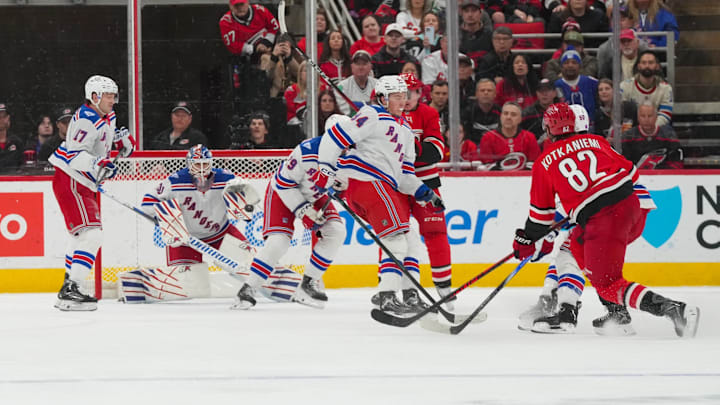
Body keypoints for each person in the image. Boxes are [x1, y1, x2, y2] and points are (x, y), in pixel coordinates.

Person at [512, 102, 699, 338]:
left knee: (608, 283)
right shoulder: (597, 141)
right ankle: (612, 314)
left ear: (548, 129)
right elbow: (632, 173)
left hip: (605, 220)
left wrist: (526, 238)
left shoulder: (544, 162)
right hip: (634, 206)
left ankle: (673, 309)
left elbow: (540, 219)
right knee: (573, 250)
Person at [312, 75, 445, 315]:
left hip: (385, 186)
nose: (402, 101)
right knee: (395, 240)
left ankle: (410, 294)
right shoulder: (372, 114)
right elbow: (334, 137)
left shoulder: (405, 129)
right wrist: (327, 171)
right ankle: (387, 296)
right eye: (396, 96)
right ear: (383, 98)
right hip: (368, 182)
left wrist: (425, 193)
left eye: (404, 96)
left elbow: (404, 175)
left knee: (411, 240)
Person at [231, 129, 347, 309]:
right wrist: (303, 211)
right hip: (283, 192)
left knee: (337, 231)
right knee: (279, 242)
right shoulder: (306, 150)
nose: (344, 149)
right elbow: (283, 183)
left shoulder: (353, 152)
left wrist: (344, 187)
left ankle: (308, 284)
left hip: (314, 195)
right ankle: (248, 289)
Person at [130, 145, 261, 303]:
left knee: (251, 264)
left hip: (221, 234)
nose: (201, 169)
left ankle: (269, 281)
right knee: (186, 287)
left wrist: (245, 204)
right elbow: (147, 203)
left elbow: (247, 200)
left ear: (211, 163)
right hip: (186, 240)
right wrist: (165, 219)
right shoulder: (175, 180)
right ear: (188, 164)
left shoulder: (226, 178)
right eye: (197, 164)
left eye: (204, 164)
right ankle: (146, 285)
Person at [48, 75, 134, 311]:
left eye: (113, 95)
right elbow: (75, 156)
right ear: (94, 96)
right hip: (71, 179)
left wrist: (121, 141)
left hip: (82, 182)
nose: (112, 100)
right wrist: (100, 164)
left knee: (78, 238)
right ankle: (72, 288)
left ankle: (68, 288)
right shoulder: (85, 119)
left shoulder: (108, 114)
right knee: (92, 235)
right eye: (108, 95)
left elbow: (106, 138)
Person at [400, 73, 455, 305]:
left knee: (436, 232)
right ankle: (394, 287)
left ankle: (444, 288)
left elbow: (436, 152)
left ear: (420, 94)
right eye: (401, 94)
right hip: (396, 184)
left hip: (426, 183)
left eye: (410, 93)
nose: (405, 98)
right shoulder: (385, 116)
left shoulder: (429, 114)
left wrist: (409, 148)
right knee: (396, 235)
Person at [621, 102, 683, 169]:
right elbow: (623, 165)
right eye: (643, 116)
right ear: (638, 118)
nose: (646, 120)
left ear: (656, 117)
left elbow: (677, 164)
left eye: (650, 116)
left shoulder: (669, 136)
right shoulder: (628, 137)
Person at [620, 50, 673, 127]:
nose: (647, 66)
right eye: (644, 63)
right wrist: (639, 130)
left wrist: (650, 128)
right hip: (632, 128)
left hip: (657, 129)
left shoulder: (666, 88)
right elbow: (620, 113)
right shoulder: (625, 86)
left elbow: (665, 114)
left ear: (657, 66)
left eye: (650, 63)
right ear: (639, 66)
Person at [479, 101, 540, 166]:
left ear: (520, 119)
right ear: (501, 117)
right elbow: (487, 166)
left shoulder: (529, 137)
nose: (508, 117)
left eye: (513, 114)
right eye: (505, 113)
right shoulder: (488, 137)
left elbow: (535, 164)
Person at [554, 48, 598, 125]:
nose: (570, 65)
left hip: (590, 126)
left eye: (574, 62)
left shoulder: (591, 82)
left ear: (580, 66)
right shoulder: (556, 85)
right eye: (566, 63)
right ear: (561, 66)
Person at [336, 50, 378, 115]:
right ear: (352, 66)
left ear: (370, 67)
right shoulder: (342, 87)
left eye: (364, 64)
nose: (361, 67)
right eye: (357, 64)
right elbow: (345, 113)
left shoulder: (378, 85)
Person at [462, 79, 501, 146]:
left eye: (489, 90)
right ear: (476, 94)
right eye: (482, 90)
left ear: (495, 94)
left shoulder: (501, 112)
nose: (486, 93)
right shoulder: (468, 113)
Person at [459, 0, 493, 67]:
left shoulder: (490, 35)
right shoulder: (455, 36)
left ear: (480, 14)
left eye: (474, 11)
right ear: (462, 14)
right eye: (466, 11)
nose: (470, 15)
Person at [0, 103, 23, 173]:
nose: (0, 119)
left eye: (3, 116)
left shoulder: (16, 142)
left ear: (8, 118)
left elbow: (23, 167)